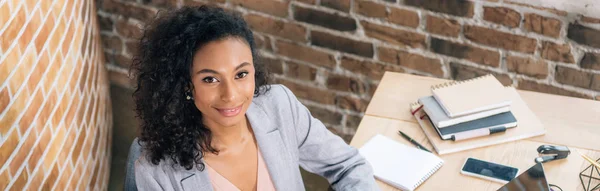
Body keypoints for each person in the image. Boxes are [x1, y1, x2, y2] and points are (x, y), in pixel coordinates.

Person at [130, 5, 378, 191]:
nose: (231, 95)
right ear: (185, 85)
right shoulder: (155, 173)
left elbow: (348, 166)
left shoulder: (279, 106)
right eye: (210, 79)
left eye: (241, 74)